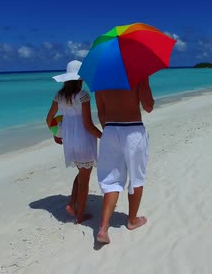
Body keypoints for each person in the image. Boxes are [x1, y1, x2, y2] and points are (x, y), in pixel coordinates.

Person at [94, 77, 154, 244]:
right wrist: (145, 81)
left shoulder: (101, 78)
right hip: (132, 130)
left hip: (110, 130)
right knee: (136, 177)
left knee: (111, 179)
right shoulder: (136, 76)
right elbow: (148, 107)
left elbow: (101, 112)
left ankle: (103, 229)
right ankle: (132, 220)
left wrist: (111, 132)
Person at [45, 60, 102, 224]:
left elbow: (48, 119)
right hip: (84, 140)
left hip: (69, 140)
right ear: (79, 78)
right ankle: (79, 215)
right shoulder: (83, 95)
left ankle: (71, 204)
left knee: (81, 174)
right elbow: (88, 125)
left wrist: (56, 134)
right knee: (85, 181)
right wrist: (104, 137)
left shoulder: (59, 96)